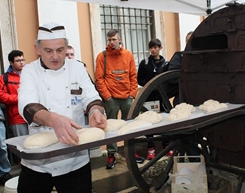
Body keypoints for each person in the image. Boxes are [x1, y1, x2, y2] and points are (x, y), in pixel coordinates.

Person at [17, 22, 106, 193]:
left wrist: (95, 111)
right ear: (37, 49)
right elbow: (27, 105)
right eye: (48, 51)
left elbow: (92, 96)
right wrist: (53, 119)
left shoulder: (77, 67)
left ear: (66, 47)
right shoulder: (30, 71)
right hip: (38, 163)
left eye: (60, 50)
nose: (55, 56)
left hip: (75, 160)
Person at [95, 29, 138, 169]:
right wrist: (107, 97)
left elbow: (133, 75)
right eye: (109, 40)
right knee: (111, 129)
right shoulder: (102, 57)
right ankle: (111, 154)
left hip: (127, 97)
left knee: (128, 126)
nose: (111, 42)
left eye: (114, 39)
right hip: (111, 99)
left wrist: (132, 94)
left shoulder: (128, 55)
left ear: (119, 39)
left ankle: (130, 152)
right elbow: (99, 79)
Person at [137, 38, 171, 159]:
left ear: (160, 48)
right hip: (149, 97)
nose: (153, 50)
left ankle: (166, 146)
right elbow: (139, 79)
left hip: (162, 97)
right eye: (151, 47)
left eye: (155, 47)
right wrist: (149, 85)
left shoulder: (166, 64)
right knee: (149, 123)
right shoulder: (144, 63)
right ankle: (150, 149)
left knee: (164, 120)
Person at [0, 50, 28, 137]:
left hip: (34, 116)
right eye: (18, 61)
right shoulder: (5, 78)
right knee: (22, 145)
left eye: (23, 60)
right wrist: (19, 98)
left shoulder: (30, 75)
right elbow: (1, 95)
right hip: (17, 117)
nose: (21, 63)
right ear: (11, 62)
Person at [168, 31, 193, 106]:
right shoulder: (179, 57)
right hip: (182, 99)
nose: (189, 43)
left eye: (192, 40)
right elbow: (172, 76)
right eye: (188, 40)